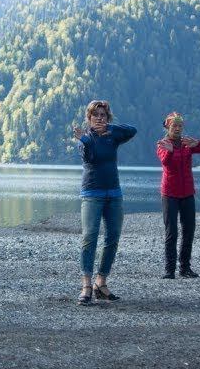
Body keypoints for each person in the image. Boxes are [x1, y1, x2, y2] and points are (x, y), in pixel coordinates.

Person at [75, 99, 136, 305]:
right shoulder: (85, 139)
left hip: (114, 193)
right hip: (92, 192)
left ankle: (101, 282)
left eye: (103, 115)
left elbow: (132, 130)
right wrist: (88, 138)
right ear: (89, 118)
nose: (99, 118)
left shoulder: (113, 135)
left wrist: (109, 128)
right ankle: (86, 285)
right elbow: (90, 158)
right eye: (96, 115)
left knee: (113, 237)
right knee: (89, 236)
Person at [155, 112, 200, 279]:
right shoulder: (163, 144)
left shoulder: (188, 144)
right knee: (171, 231)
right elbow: (165, 162)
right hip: (170, 194)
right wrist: (171, 151)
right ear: (168, 127)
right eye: (174, 126)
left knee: (189, 231)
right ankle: (169, 269)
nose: (178, 128)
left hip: (187, 193)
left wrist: (197, 143)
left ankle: (185, 268)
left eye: (180, 125)